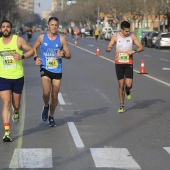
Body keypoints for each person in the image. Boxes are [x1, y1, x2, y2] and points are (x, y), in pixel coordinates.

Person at [33, 17, 71, 127]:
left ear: (58, 27)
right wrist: (36, 58)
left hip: (57, 71)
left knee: (54, 97)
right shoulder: (42, 37)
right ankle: (46, 106)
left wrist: (63, 55)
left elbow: (69, 55)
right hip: (45, 69)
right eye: (52, 25)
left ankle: (51, 116)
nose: (54, 27)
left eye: (56, 25)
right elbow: (34, 48)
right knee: (46, 93)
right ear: (48, 26)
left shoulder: (62, 39)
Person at [0, 20, 34, 142]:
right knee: (6, 103)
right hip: (3, 77)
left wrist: (22, 56)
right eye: (3, 27)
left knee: (16, 104)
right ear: (0, 29)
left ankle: (16, 112)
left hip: (17, 77)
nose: (5, 29)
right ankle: (7, 132)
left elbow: (31, 51)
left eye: (7, 27)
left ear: (11, 29)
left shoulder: (18, 40)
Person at [106, 21, 144, 113]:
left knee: (128, 84)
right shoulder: (116, 36)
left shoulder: (132, 36)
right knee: (120, 84)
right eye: (126, 31)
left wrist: (134, 51)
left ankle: (128, 90)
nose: (128, 32)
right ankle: (122, 105)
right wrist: (108, 49)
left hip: (128, 63)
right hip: (118, 63)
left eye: (129, 30)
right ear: (122, 30)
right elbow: (108, 48)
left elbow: (141, 47)